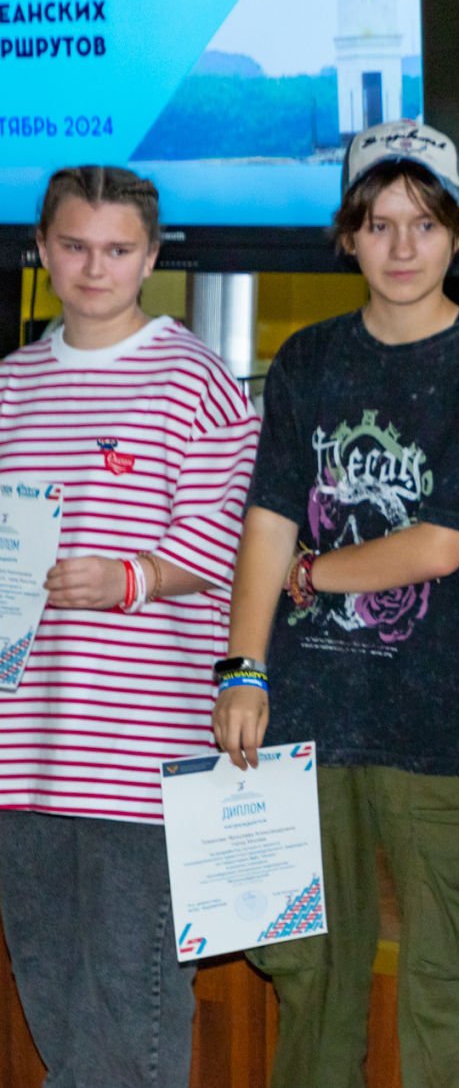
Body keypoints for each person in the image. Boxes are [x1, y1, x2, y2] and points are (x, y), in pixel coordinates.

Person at [213, 120, 459, 1087]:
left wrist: (313, 575)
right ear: (348, 235)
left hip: (445, 735)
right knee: (309, 991)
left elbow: (440, 544)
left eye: (425, 224)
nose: (402, 247)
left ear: (458, 235)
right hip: (308, 721)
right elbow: (269, 518)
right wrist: (243, 669)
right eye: (379, 224)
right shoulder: (308, 360)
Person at [0, 166, 260, 1087]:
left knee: (130, 1010)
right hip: (23, 751)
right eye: (74, 246)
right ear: (42, 249)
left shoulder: (196, 382)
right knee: (53, 999)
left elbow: (227, 539)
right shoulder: (12, 383)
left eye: (117, 250)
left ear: (151, 258)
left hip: (139, 757)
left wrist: (130, 577)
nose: (93, 267)